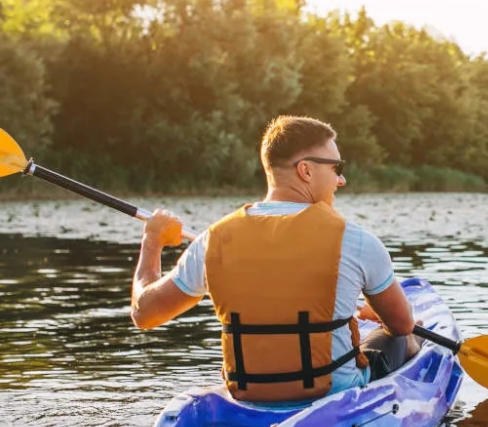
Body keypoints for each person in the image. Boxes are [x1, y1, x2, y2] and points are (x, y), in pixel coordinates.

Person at [129, 115, 419, 403]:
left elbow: (144, 313)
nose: (341, 179)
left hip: (250, 394)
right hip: (334, 394)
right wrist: (376, 312)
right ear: (306, 170)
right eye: (337, 168)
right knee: (404, 338)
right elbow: (401, 324)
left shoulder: (213, 240)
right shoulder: (356, 240)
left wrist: (152, 241)